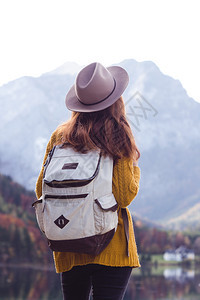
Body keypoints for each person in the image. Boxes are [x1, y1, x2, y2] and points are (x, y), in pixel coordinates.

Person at [35, 62, 141, 300]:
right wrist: (135, 170)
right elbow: (124, 195)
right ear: (116, 101)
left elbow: (41, 189)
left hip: (69, 242)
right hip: (111, 243)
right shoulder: (118, 134)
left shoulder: (60, 136)